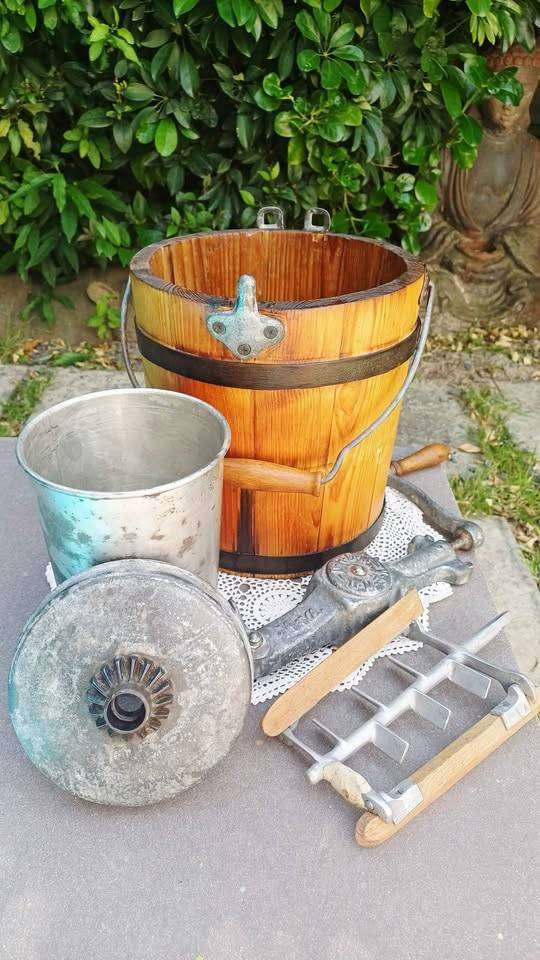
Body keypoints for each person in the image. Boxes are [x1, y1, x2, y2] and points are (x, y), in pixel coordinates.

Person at [422, 45, 540, 325]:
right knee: (427, 292)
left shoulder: (534, 156)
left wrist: (506, 248)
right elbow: (422, 212)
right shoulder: (451, 145)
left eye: (522, 93)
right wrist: (454, 244)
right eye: (501, 92)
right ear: (482, 89)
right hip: (451, 263)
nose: (511, 105)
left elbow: (536, 226)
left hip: (509, 270)